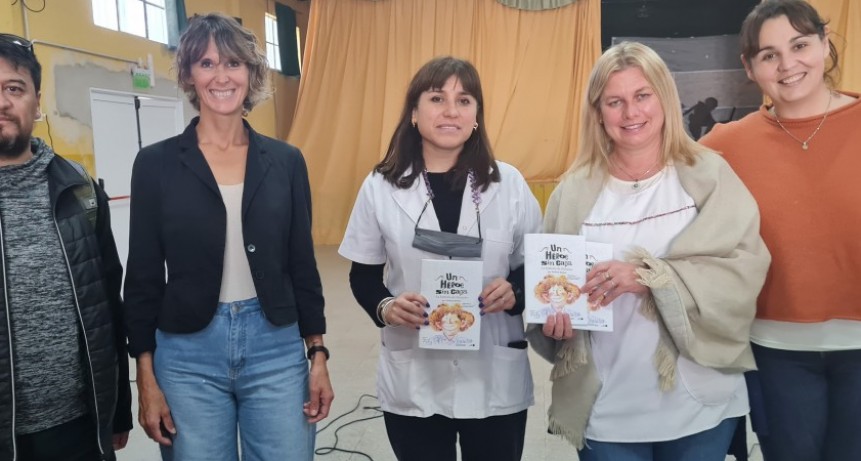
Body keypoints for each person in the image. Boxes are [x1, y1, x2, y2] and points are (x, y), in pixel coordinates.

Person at [526, 41, 771, 461]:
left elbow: (743, 270)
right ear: (597, 112)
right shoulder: (573, 192)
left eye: (642, 95)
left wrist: (649, 277)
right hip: (606, 402)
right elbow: (552, 285)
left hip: (700, 398)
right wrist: (556, 324)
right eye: (614, 102)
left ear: (665, 98)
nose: (631, 113)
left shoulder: (709, 174)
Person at [123, 13, 333, 461]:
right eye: (207, 63)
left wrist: (317, 353)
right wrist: (145, 373)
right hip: (187, 355)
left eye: (233, 63)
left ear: (251, 73)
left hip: (275, 346)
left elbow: (302, 264)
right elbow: (142, 276)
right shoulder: (155, 165)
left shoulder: (286, 162)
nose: (221, 76)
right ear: (189, 75)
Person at [338, 56, 541, 461]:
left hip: (493, 372)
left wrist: (515, 291)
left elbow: (536, 264)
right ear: (414, 113)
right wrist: (386, 306)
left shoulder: (509, 184)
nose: (451, 111)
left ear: (476, 116)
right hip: (415, 374)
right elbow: (364, 275)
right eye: (436, 98)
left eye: (464, 100)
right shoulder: (380, 186)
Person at [699, 1, 861, 459]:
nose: (788, 64)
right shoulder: (725, 145)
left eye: (800, 45)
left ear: (824, 45)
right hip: (775, 351)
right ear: (750, 67)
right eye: (769, 55)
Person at [0, 33, 132, 460]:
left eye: (14, 88)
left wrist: (118, 408)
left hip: (77, 427)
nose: (2, 102)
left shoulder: (79, 190)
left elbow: (108, 303)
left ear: (37, 102)